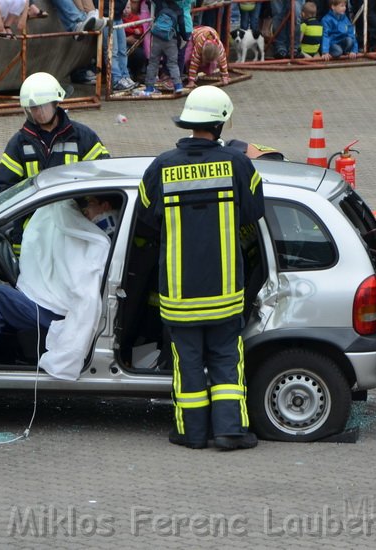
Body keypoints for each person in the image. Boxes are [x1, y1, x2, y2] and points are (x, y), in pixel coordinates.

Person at [137, 86, 265, 451]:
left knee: (187, 363)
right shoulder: (238, 164)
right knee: (226, 362)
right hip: (225, 290)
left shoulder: (162, 166)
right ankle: (229, 431)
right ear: (221, 124)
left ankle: (191, 433)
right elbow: (255, 210)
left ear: (189, 123)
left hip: (179, 292)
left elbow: (145, 218)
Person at [0, 195, 118, 378]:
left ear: (105, 205)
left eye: (91, 203)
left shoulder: (95, 237)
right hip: (61, 305)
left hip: (59, 311)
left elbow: (82, 288)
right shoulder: (101, 232)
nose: (85, 210)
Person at [0, 72, 110, 194]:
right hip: (35, 212)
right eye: (33, 108)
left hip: (73, 212)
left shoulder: (82, 136)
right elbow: (4, 187)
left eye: (43, 106)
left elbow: (103, 174)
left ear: (56, 103)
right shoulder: (19, 143)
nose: (39, 112)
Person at [139, 0, 186, 96]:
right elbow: (182, 27)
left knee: (153, 63)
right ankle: (177, 86)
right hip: (170, 39)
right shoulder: (179, 9)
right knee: (173, 63)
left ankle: (149, 88)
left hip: (157, 38)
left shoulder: (159, 3)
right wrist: (185, 37)